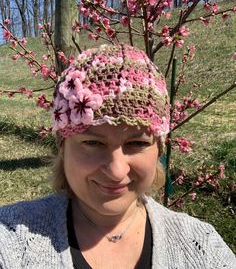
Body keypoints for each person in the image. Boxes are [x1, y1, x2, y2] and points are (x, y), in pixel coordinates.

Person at [0, 44, 235, 269]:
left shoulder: (202, 246)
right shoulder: (11, 235)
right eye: (93, 143)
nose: (116, 171)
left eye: (137, 143)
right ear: (63, 147)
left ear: (158, 150)